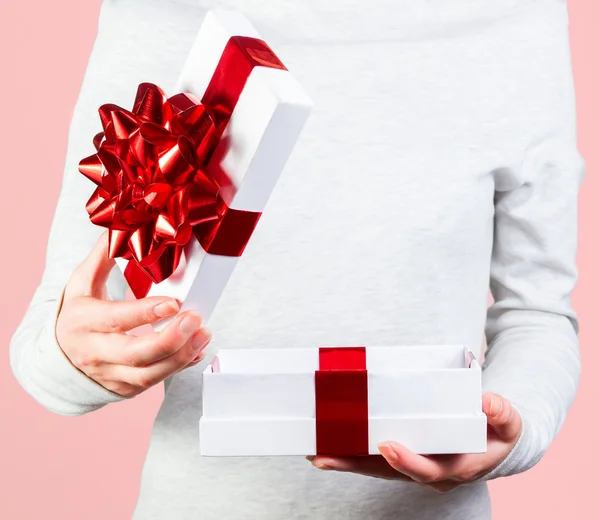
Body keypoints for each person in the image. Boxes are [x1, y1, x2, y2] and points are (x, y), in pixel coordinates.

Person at [10, 1, 584, 519]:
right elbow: (48, 339)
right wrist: (79, 356)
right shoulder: (159, 15)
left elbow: (537, 312)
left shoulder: (515, 22)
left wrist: (512, 430)